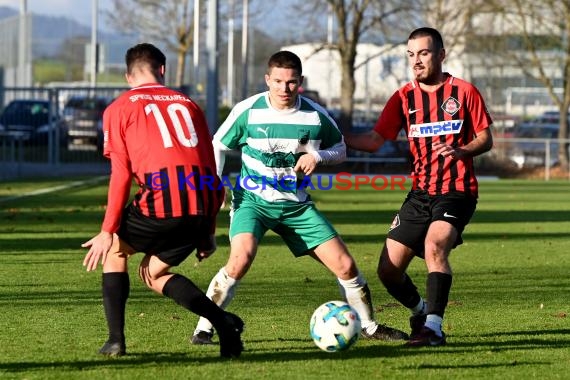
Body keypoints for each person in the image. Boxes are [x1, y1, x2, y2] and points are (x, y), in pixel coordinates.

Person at [191, 50, 408, 345]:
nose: (284, 89)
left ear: (300, 82)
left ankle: (369, 326)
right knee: (240, 259)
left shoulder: (315, 115)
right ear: (268, 80)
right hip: (253, 202)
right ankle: (204, 327)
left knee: (345, 265)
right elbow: (218, 143)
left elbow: (341, 149)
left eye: (291, 82)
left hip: (296, 206)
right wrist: (215, 184)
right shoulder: (248, 110)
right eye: (278, 81)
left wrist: (317, 156)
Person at [81, 43, 244, 358]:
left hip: (163, 197)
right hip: (202, 201)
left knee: (116, 249)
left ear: (128, 76)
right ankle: (222, 324)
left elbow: (121, 175)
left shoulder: (119, 108)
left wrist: (107, 229)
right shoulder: (189, 104)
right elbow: (210, 165)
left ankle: (115, 340)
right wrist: (208, 229)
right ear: (163, 70)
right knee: (153, 273)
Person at [345, 27, 493, 347]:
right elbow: (373, 141)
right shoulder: (402, 97)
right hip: (420, 193)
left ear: (441, 55)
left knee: (434, 247)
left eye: (424, 53)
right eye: (411, 55)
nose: (417, 61)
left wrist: (463, 150)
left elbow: (485, 138)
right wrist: (335, 140)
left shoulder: (464, 92)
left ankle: (434, 330)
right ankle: (421, 311)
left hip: (457, 190)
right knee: (388, 270)